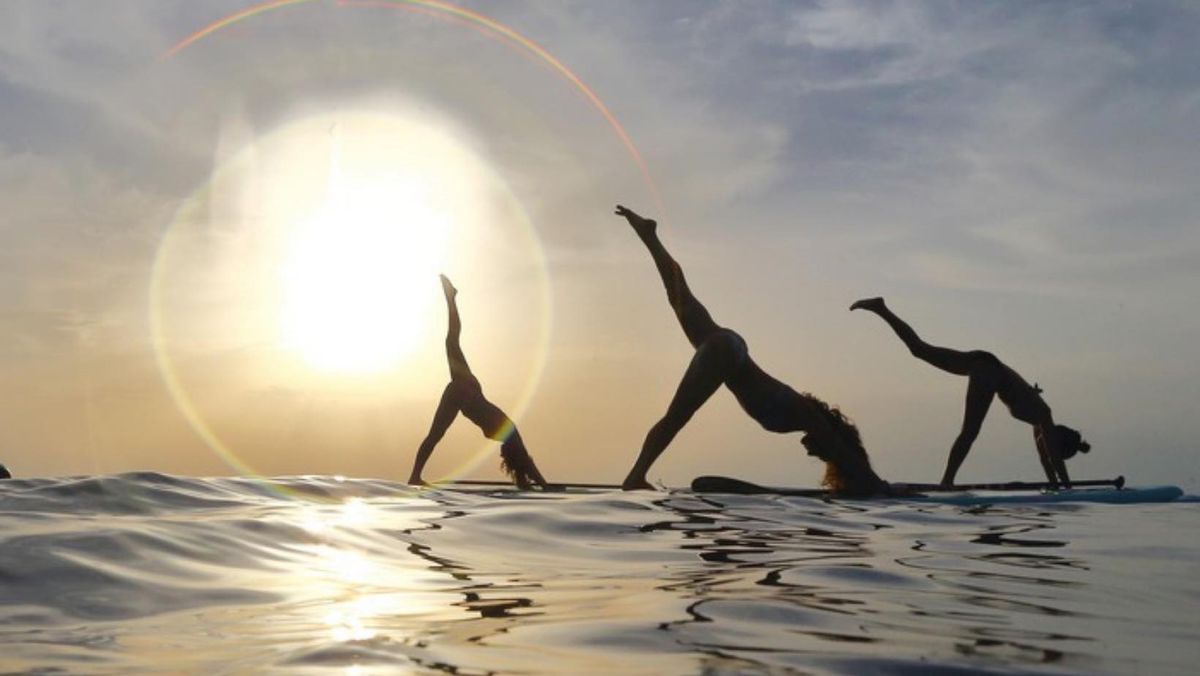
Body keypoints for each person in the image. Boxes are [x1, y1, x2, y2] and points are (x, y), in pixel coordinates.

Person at [614, 205, 890, 497]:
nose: (811, 453)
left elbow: (840, 451)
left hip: (730, 350)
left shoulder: (803, 413)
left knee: (677, 294)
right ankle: (635, 476)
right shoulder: (811, 418)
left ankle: (648, 235)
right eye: (820, 454)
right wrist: (877, 486)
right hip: (727, 354)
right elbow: (844, 455)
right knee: (678, 416)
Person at [850, 297, 1089, 488]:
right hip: (988, 370)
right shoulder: (1044, 415)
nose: (1048, 447)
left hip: (984, 364)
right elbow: (1054, 458)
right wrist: (1067, 487)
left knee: (919, 350)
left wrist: (1055, 486)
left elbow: (1047, 458)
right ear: (1058, 440)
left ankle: (880, 309)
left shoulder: (1039, 426)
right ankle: (947, 481)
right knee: (969, 432)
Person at [409, 275, 549, 489]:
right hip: (467, 392)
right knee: (451, 340)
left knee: (451, 341)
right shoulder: (507, 431)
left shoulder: (506, 430)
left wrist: (540, 483)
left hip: (466, 392)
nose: (502, 454)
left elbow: (524, 460)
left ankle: (415, 476)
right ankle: (451, 298)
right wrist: (543, 484)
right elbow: (525, 461)